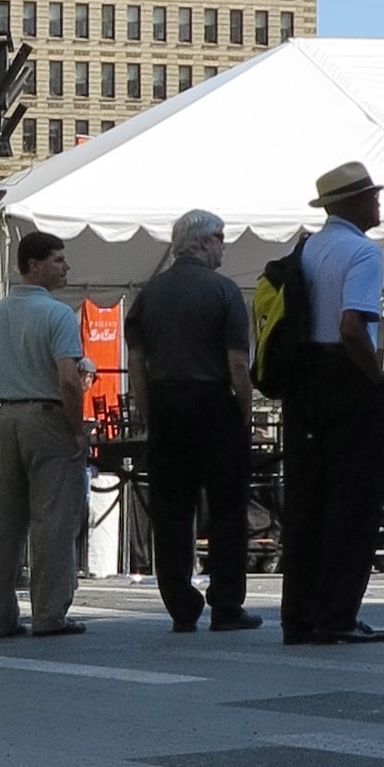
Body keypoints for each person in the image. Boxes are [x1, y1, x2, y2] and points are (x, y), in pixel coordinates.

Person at [124, 208, 257, 634]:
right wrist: (245, 413)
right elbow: (238, 363)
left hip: (166, 405)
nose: (224, 246)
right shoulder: (224, 291)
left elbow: (137, 365)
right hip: (214, 404)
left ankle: (181, 605)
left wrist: (150, 415)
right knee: (227, 510)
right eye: (220, 237)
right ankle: (226, 604)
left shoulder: (149, 294)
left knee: (172, 512)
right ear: (203, 243)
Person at [282, 163, 384, 646]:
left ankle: (300, 616)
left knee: (308, 500)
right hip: (345, 378)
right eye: (372, 197)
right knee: (353, 502)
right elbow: (353, 326)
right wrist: (379, 382)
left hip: (305, 378)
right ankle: (339, 613)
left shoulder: (307, 248)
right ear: (353, 203)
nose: (378, 204)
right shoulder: (363, 253)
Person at [0, 225, 88, 641]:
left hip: (8, 417)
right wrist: (78, 429)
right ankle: (50, 612)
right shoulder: (58, 314)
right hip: (49, 416)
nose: (66, 267)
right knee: (53, 519)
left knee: (5, 521)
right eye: (58, 260)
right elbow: (70, 380)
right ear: (33, 266)